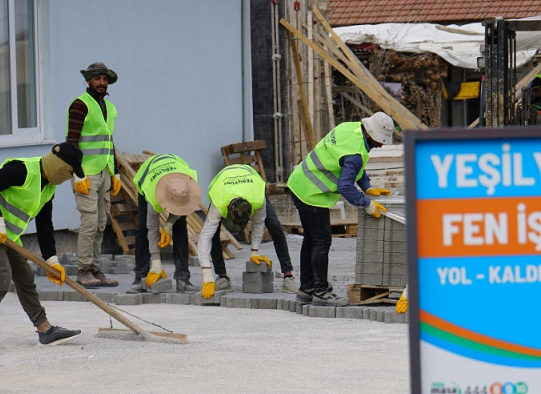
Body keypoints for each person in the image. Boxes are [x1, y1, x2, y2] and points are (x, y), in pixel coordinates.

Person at [0, 143, 85, 354]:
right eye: (70, 172)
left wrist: (51, 260)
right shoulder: (22, 170)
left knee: (25, 277)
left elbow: (45, 225)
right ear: (60, 166)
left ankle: (45, 331)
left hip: (7, 235)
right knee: (1, 275)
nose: (69, 178)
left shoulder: (48, 188)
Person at [287, 112, 394, 306]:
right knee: (321, 241)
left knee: (311, 239)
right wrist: (367, 204)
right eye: (380, 140)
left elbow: (352, 166)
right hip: (312, 192)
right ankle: (320, 293)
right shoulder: (356, 153)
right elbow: (346, 185)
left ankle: (306, 290)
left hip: (299, 182)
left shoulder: (349, 128)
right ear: (371, 134)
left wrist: (367, 186)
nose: (381, 145)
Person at [67, 62, 122, 288]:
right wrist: (78, 174)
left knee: (100, 224)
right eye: (97, 79)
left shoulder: (110, 108)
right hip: (86, 173)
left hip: (104, 171)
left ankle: (96, 269)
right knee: (89, 223)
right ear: (88, 80)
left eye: (105, 79)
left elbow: (109, 143)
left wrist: (116, 172)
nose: (102, 83)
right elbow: (71, 143)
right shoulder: (80, 105)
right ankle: (83, 270)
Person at [126, 154, 201, 294]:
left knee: (180, 228)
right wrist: (156, 263)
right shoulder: (153, 195)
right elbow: (152, 229)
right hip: (148, 176)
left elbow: (183, 207)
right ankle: (140, 277)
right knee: (142, 228)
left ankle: (183, 279)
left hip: (176, 168)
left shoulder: (188, 185)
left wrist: (169, 225)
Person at [197, 164, 271, 299]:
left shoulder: (258, 198)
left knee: (275, 225)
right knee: (213, 234)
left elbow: (259, 223)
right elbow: (204, 237)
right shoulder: (219, 202)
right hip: (224, 179)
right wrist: (206, 273)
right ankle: (222, 276)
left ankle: (288, 276)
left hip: (249, 178)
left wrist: (254, 251)